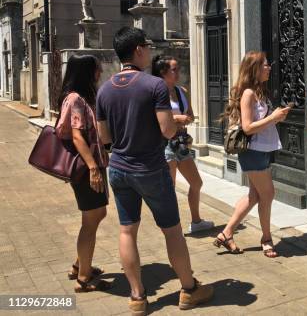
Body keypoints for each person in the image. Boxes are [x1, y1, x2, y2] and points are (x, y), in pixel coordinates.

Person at [96, 28, 213, 314]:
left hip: (120, 169)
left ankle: (138, 297)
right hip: (150, 167)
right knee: (172, 231)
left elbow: (105, 138)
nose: (149, 51)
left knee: (127, 231)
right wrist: (175, 123)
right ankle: (188, 289)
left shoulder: (105, 89)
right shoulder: (154, 86)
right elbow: (167, 129)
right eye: (146, 46)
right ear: (137, 50)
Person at [215, 51, 290, 258]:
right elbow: (247, 128)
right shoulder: (248, 93)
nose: (269, 68)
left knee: (255, 195)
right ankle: (266, 238)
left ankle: (226, 233)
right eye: (265, 65)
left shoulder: (259, 92)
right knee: (268, 194)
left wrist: (276, 118)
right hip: (253, 151)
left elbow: (259, 123)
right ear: (255, 68)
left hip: (262, 149)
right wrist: (273, 117)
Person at [56, 55, 110, 292]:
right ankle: (84, 278)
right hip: (87, 169)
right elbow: (77, 136)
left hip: (92, 166)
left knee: (97, 215)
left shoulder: (81, 97)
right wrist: (93, 168)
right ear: (87, 72)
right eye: (97, 69)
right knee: (90, 220)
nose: (100, 73)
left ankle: (81, 264)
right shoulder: (76, 98)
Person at [152, 55, 214, 234]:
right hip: (165, 144)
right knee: (169, 188)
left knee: (196, 182)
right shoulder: (155, 93)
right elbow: (153, 120)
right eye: (174, 69)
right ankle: (172, 226)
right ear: (163, 72)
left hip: (181, 143)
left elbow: (191, 115)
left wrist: (185, 119)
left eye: (178, 68)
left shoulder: (182, 91)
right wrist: (176, 118)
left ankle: (196, 221)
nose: (178, 72)